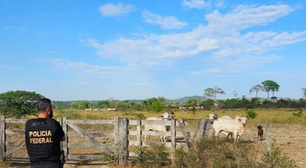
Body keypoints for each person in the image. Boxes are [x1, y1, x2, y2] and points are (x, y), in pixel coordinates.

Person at [25, 98, 65, 168]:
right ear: (48, 109)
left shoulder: (29, 124)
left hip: (35, 164)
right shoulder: (54, 123)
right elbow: (63, 138)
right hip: (53, 163)